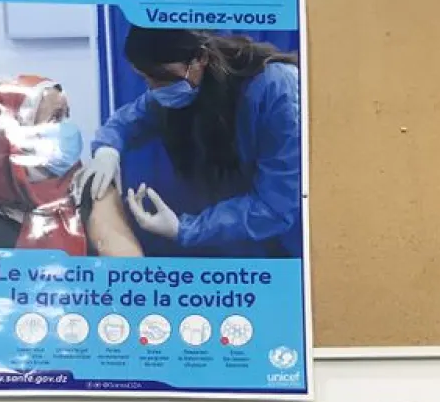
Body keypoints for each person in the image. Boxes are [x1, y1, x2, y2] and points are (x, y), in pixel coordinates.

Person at [80, 28, 303, 258]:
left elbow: (276, 207)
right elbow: (126, 122)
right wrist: (107, 150)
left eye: (161, 76)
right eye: (146, 78)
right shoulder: (174, 86)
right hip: (228, 248)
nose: (154, 89)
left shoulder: (277, 88)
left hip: (285, 251)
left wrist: (185, 230)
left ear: (201, 59)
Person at [0, 75, 142, 257]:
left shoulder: (88, 187)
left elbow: (127, 266)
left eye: (67, 115)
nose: (67, 127)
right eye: (56, 117)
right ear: (12, 133)